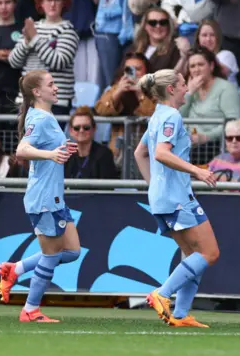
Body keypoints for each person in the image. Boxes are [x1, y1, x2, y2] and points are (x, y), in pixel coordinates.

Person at [133, 69, 220, 328]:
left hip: (163, 197)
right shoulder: (171, 115)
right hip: (177, 197)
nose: (186, 89)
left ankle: (180, 315)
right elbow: (160, 153)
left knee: (191, 253)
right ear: (171, 89)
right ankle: (161, 293)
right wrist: (196, 170)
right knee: (210, 253)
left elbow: (140, 153)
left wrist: (155, 187)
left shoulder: (157, 116)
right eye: (183, 84)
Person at [0, 70, 81, 321]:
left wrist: (62, 149)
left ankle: (15, 269)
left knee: (73, 252)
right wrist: (52, 155)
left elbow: (45, 149)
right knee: (52, 255)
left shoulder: (46, 116)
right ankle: (30, 309)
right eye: (51, 84)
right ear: (37, 92)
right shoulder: (40, 118)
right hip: (44, 198)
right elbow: (22, 149)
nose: (56, 88)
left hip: (53, 197)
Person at [64, 106, 119, 179]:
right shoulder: (66, 156)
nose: (81, 131)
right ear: (71, 131)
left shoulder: (105, 155)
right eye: (76, 128)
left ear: (94, 128)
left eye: (86, 128)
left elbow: (107, 189)